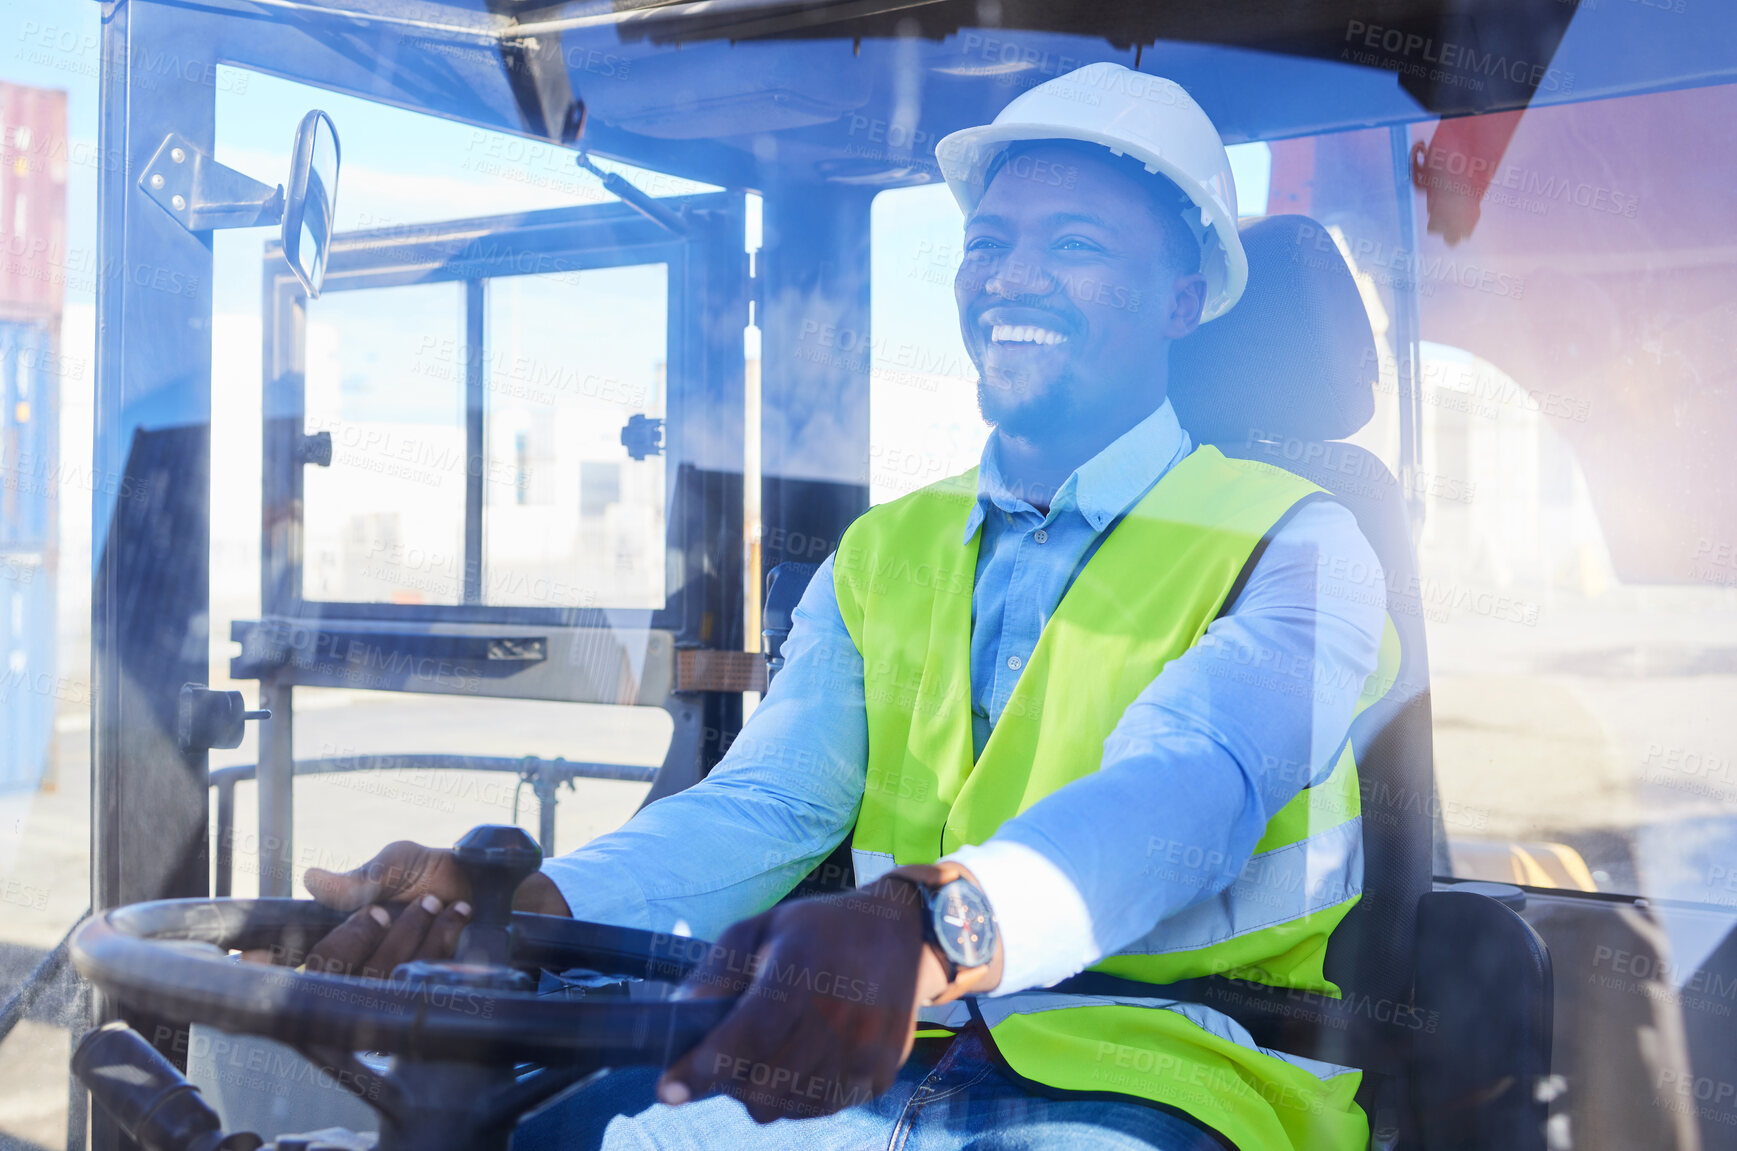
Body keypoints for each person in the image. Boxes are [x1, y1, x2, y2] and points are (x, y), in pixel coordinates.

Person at [296, 62, 1387, 1151]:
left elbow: (1189, 792)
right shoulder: (884, 549)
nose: (1012, 278)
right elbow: (769, 805)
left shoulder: (1299, 541)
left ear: (1183, 300)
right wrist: (531, 907)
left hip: (1169, 1071)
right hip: (872, 1054)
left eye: (1077, 246)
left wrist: (928, 922)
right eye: (988, 245)